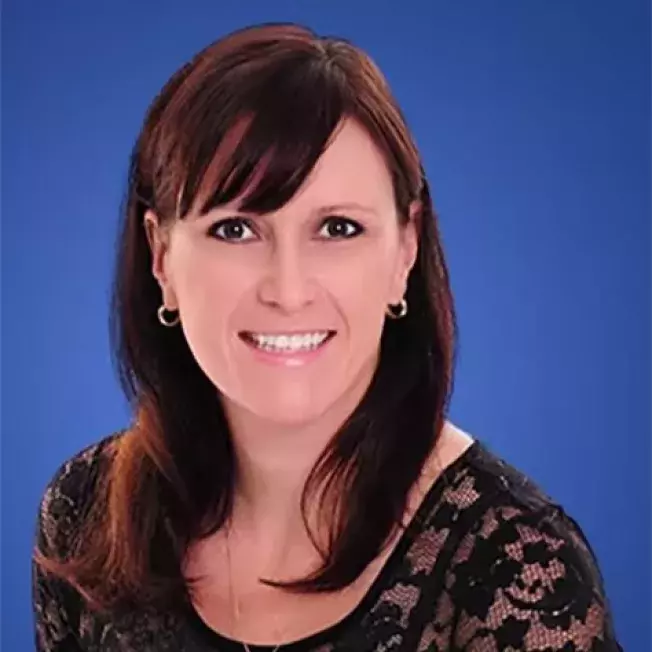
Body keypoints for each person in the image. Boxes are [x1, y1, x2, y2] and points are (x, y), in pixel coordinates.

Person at [32, 22, 622, 652]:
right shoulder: (86, 516)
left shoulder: (518, 573)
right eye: (236, 230)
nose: (288, 290)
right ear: (160, 257)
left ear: (405, 250)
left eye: (338, 228)